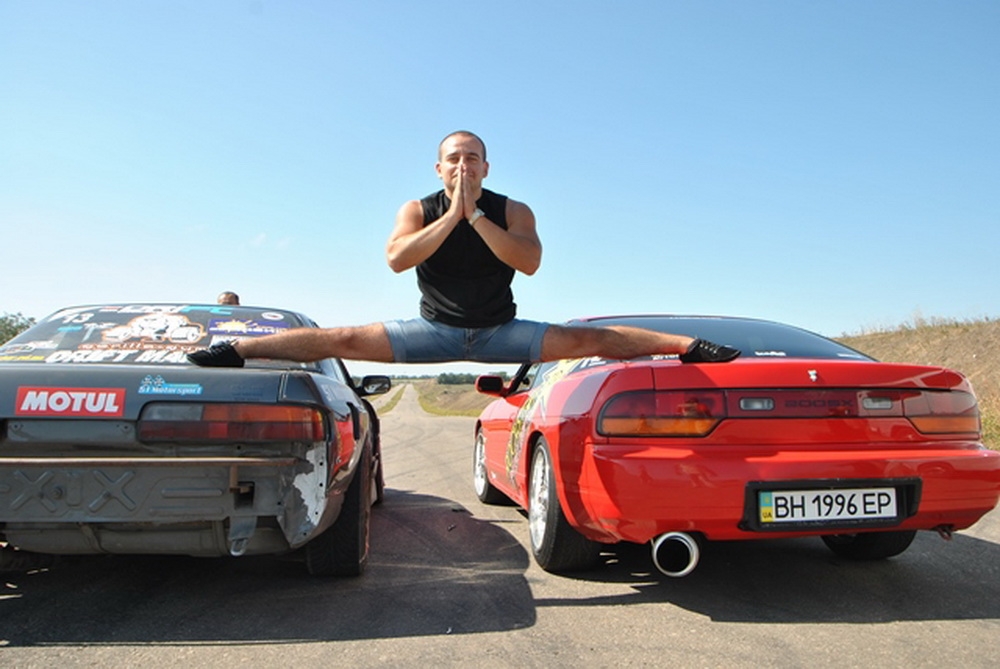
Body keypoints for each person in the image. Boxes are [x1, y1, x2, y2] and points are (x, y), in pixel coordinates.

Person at [188, 131, 738, 368]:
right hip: (434, 330)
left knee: (588, 338)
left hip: (502, 331)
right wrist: (452, 215)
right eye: (453, 158)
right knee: (343, 338)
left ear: (486, 167)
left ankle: (691, 346)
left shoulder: (513, 209)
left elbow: (529, 262)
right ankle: (235, 350)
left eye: (472, 158)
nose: (462, 165)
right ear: (439, 167)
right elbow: (397, 260)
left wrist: (474, 216)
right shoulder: (417, 208)